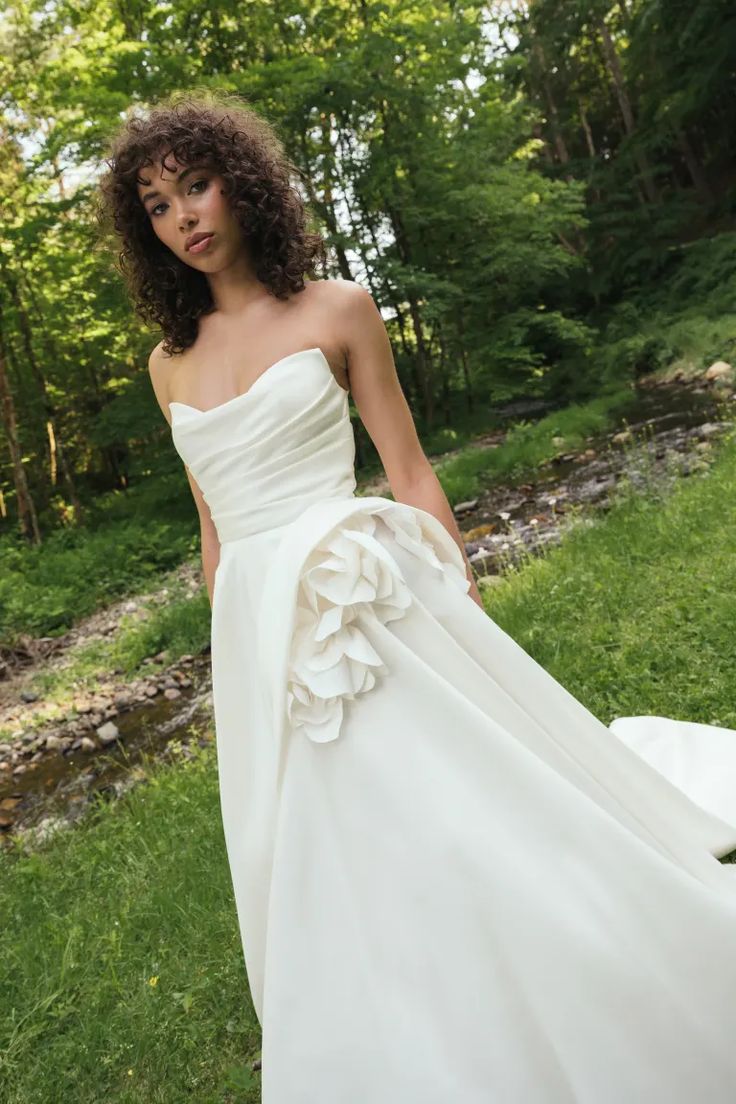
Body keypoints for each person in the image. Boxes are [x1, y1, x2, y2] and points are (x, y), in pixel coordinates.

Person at [98, 90, 736, 1103]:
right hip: (259, 621)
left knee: (442, 795)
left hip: (362, 593)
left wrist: (452, 584)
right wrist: (233, 648)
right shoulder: (166, 367)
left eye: (197, 183)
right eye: (158, 204)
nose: (184, 215)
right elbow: (212, 521)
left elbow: (406, 467)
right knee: (317, 831)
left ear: (242, 183)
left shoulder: (337, 310)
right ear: (147, 230)